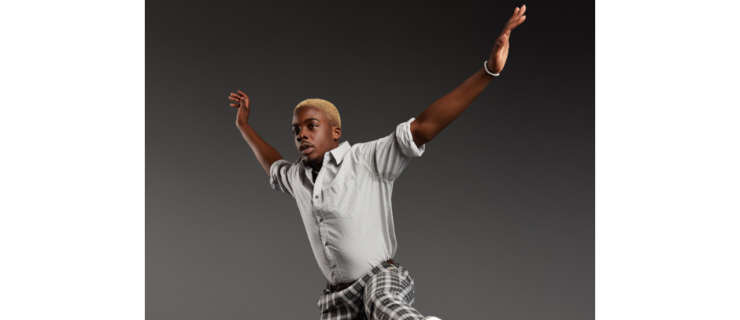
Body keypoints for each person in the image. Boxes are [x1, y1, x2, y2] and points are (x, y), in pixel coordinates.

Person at [228, 5, 527, 320]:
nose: (302, 135)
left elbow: (425, 126)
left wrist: (488, 71)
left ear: (335, 132)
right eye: (296, 130)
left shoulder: (365, 159)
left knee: (382, 304)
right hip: (337, 297)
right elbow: (273, 164)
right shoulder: (298, 178)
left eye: (311, 126)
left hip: (380, 278)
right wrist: (244, 126)